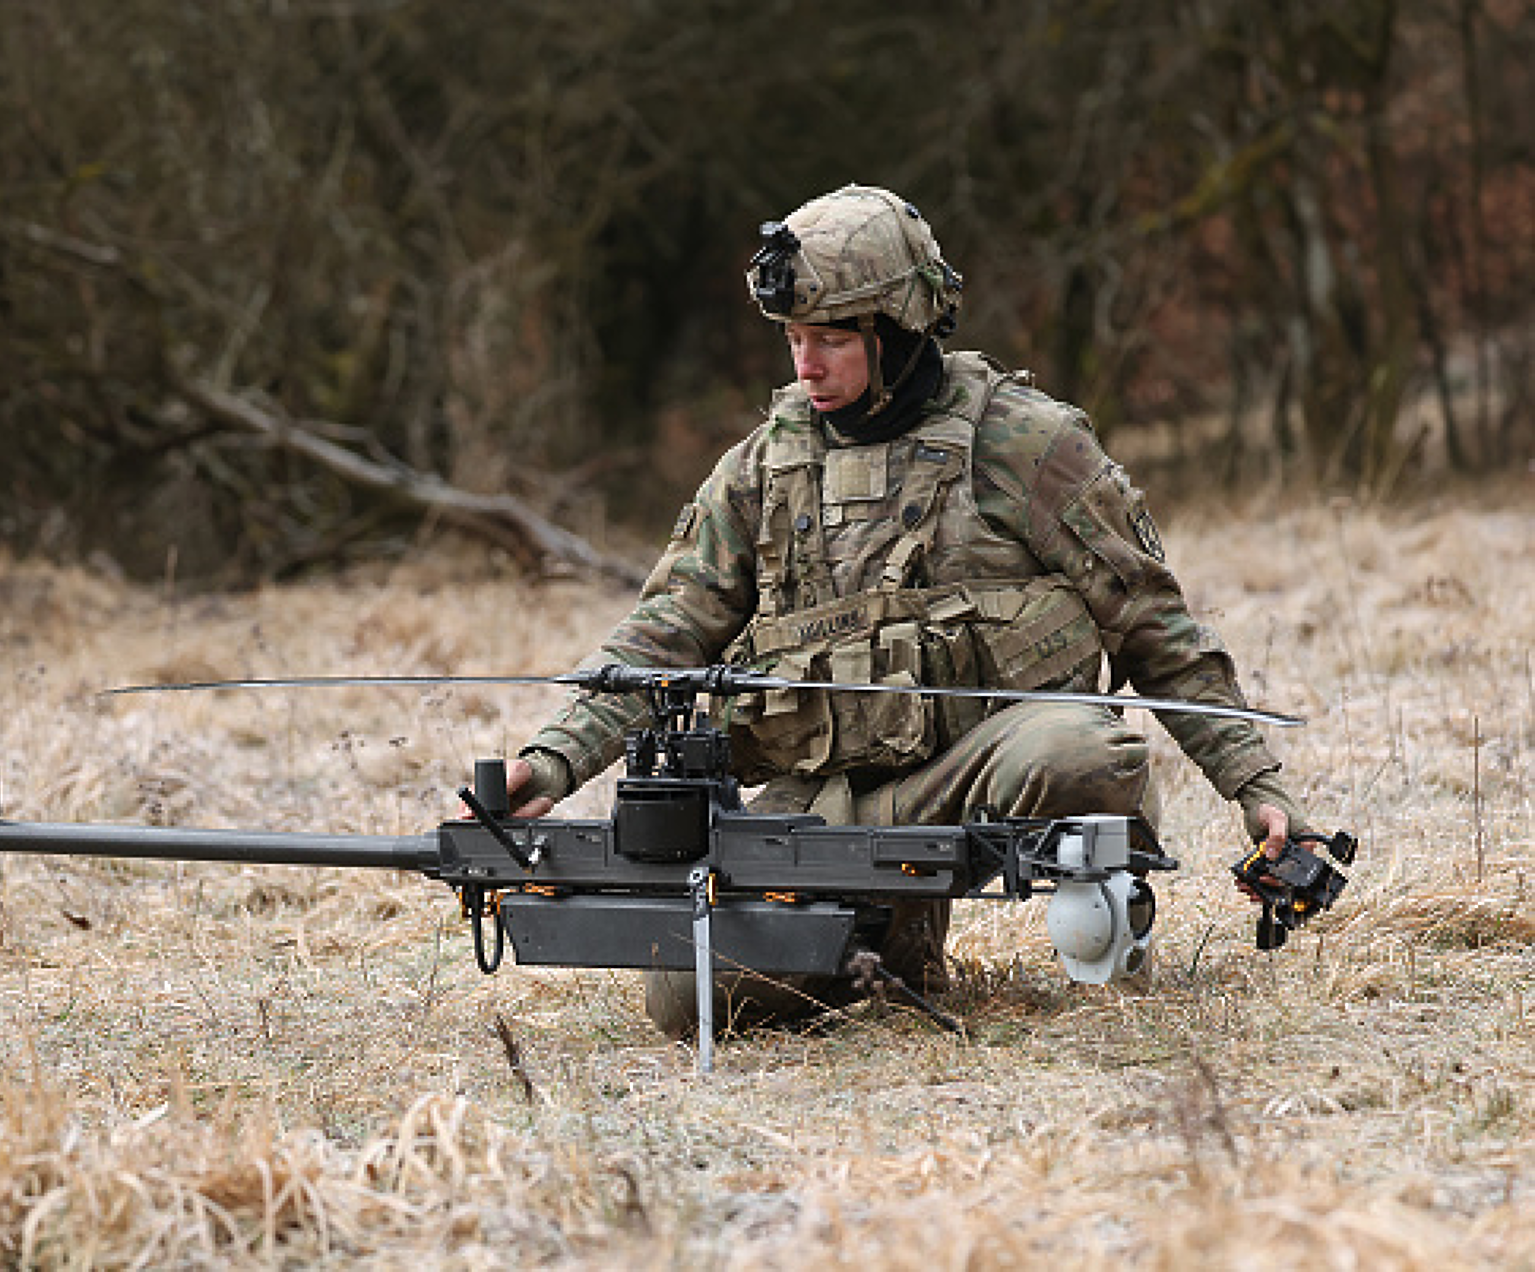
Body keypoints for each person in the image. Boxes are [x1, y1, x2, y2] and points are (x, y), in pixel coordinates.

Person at [500, 184, 1310, 1037]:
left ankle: (1108, 910)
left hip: (985, 767)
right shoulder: (759, 471)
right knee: (690, 997)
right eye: (792, 340)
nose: (804, 366)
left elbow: (1153, 622)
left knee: (1079, 752)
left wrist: (1256, 788)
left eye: (831, 341)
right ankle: (881, 942)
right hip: (831, 808)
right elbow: (662, 633)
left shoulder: (1025, 444)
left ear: (896, 331)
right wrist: (549, 764)